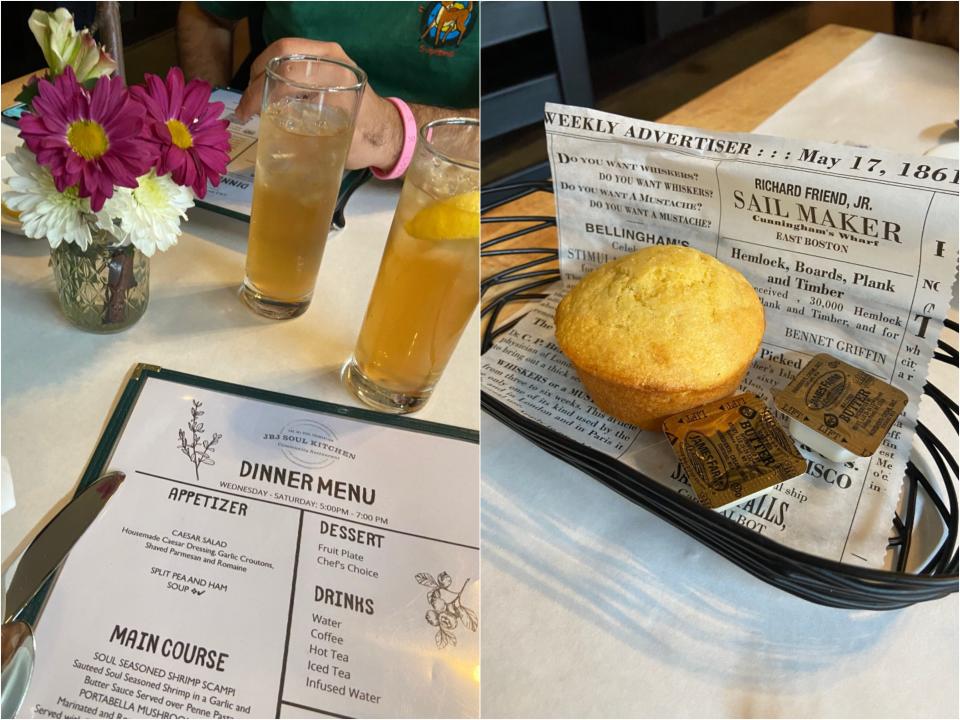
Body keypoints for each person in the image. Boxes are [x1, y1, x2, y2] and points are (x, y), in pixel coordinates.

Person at [177, 1, 479, 176]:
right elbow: (206, 11)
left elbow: (521, 127)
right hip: (277, 161)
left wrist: (391, 133)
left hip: (440, 189)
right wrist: (205, 119)